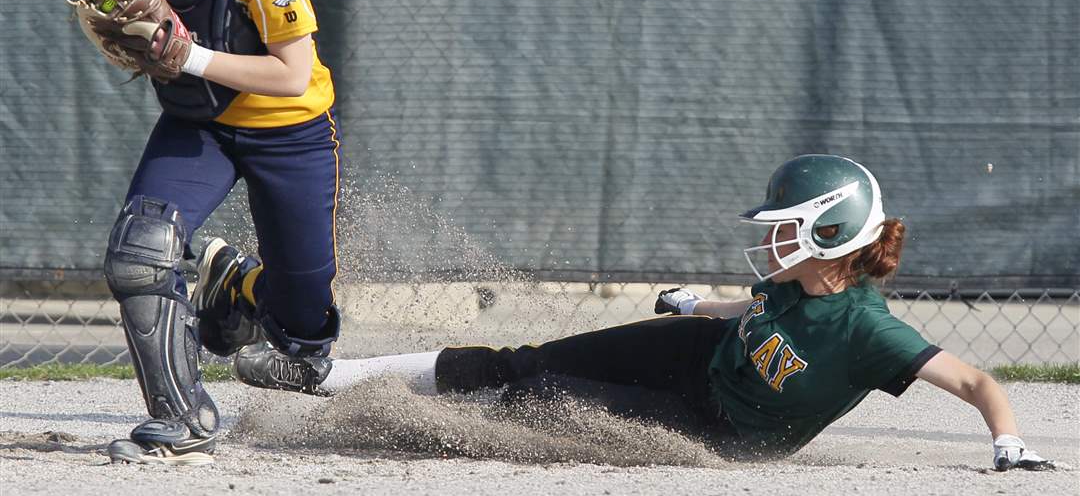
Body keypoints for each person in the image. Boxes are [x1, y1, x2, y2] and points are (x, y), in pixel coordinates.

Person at [316, 154, 1054, 471]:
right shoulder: (796, 281)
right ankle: (328, 376)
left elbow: (977, 381)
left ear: (832, 238)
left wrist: (1008, 445)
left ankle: (403, 428)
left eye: (787, 227)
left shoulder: (870, 329)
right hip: (701, 354)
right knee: (526, 359)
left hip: (722, 429)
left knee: (541, 400)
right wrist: (695, 304)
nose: (770, 238)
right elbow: (751, 305)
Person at [102, 0, 367, 465]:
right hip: (201, 125)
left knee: (301, 338)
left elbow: (289, 72)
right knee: (141, 249)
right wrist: (145, 50)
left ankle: (239, 286)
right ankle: (184, 418)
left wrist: (190, 56)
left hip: (289, 130)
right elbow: (173, 54)